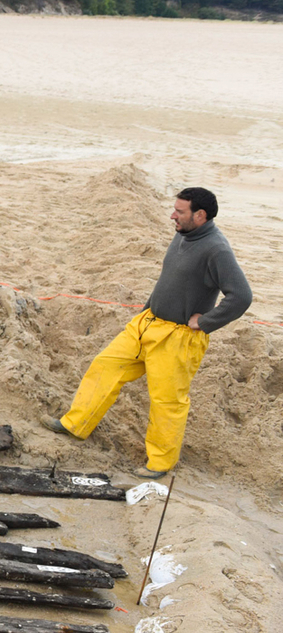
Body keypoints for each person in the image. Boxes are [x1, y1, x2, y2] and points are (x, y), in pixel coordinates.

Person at [43, 187, 251, 479]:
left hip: (177, 338)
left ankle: (159, 463)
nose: (172, 215)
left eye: (180, 211)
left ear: (200, 215)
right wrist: (146, 310)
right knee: (105, 366)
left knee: (167, 401)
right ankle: (76, 424)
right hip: (147, 323)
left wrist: (205, 322)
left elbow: (241, 296)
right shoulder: (183, 234)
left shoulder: (217, 249)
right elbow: (168, 278)